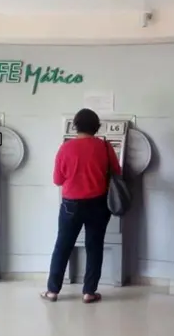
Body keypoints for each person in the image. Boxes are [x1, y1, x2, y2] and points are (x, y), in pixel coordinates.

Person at [40, 108, 121, 304]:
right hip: (98, 203)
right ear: (97, 127)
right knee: (94, 247)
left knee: (63, 246)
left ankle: (52, 291)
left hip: (71, 205)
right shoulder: (105, 147)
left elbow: (57, 180)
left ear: (75, 126)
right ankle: (89, 292)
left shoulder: (66, 148)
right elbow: (117, 172)